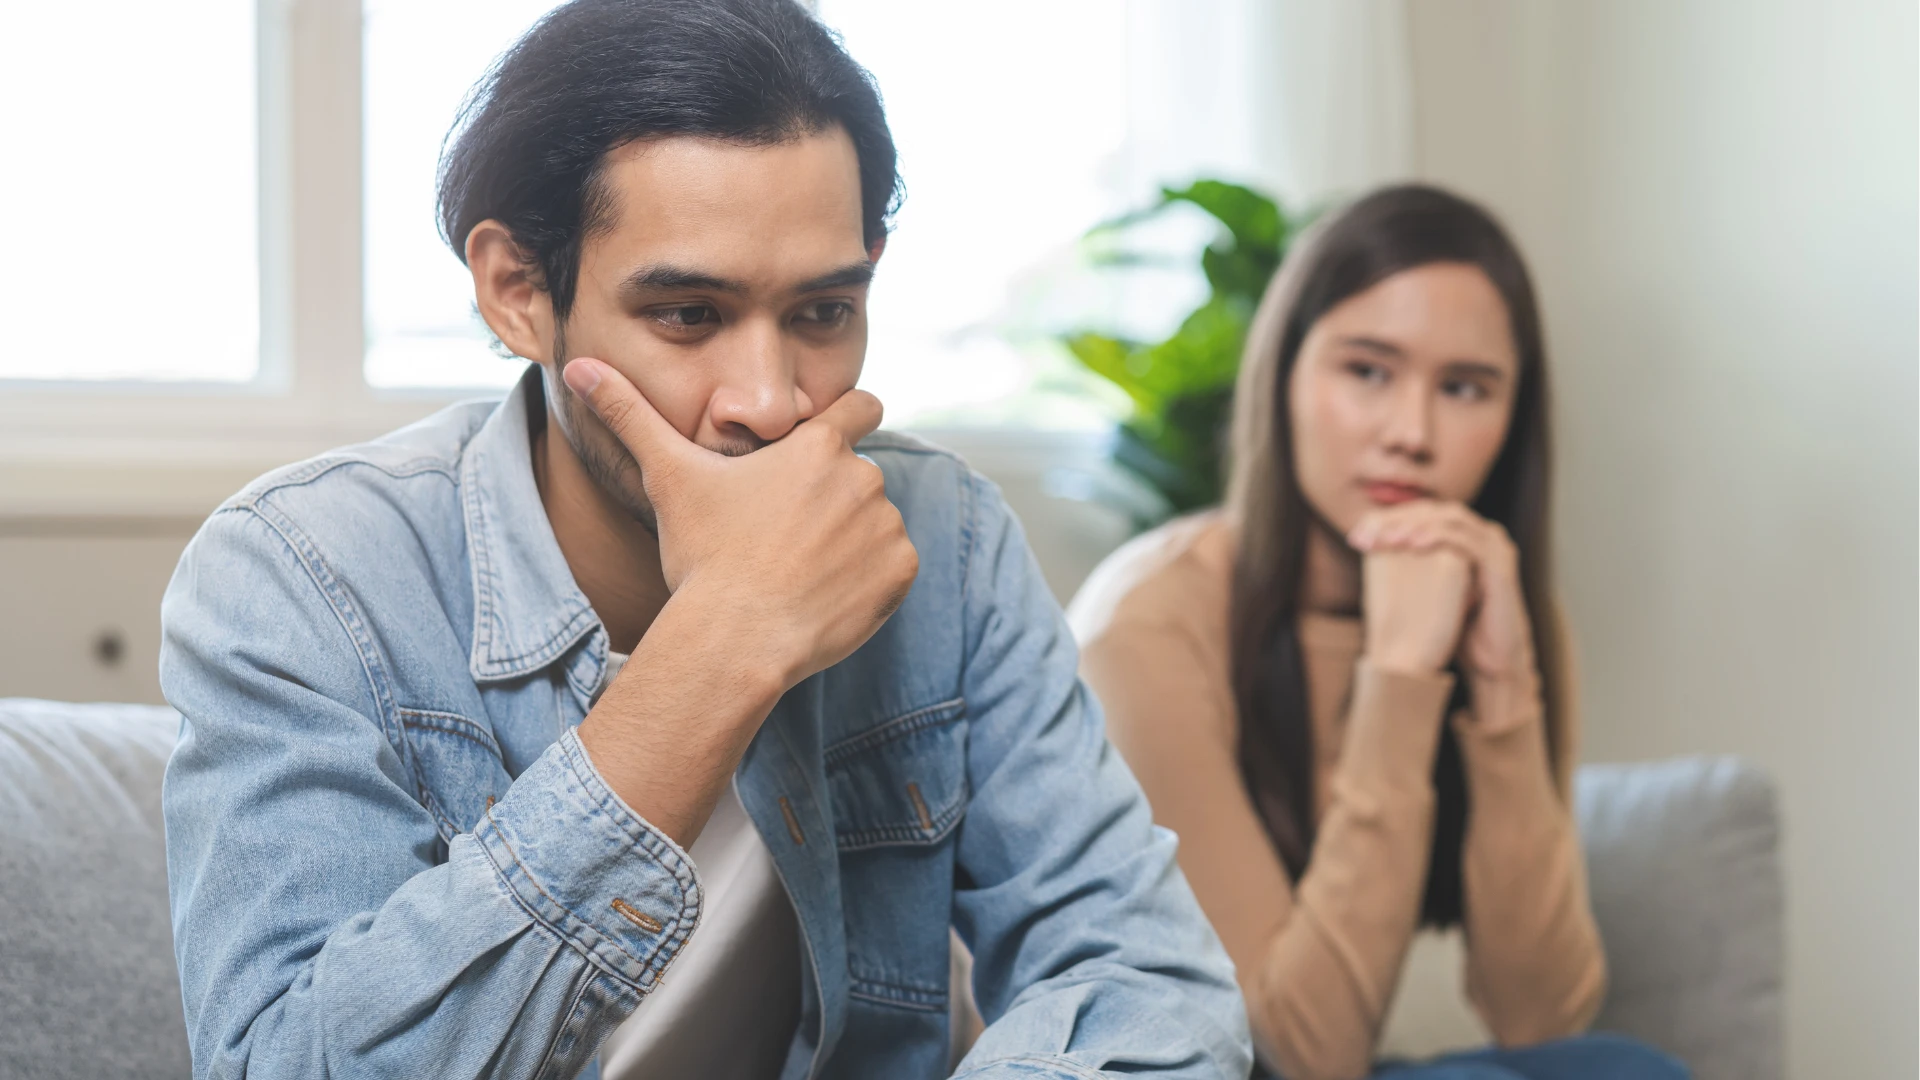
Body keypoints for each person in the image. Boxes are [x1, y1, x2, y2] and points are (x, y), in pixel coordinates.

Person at [156, 2, 1250, 1078]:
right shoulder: (303, 573)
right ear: (519, 291)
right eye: (688, 316)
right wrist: (718, 649)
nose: (770, 403)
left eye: (823, 312)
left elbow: (1147, 986)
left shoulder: (945, 540)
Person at [1068, 185, 1688, 1080]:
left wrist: (1504, 695)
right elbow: (1293, 1051)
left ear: (1513, 422)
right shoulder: (1149, 624)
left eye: (1466, 388)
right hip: (1166, 1067)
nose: (1412, 434)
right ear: (1285, 374)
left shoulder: (1503, 612)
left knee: (1616, 1067)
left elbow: (1540, 1018)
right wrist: (1398, 680)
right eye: (1366, 370)